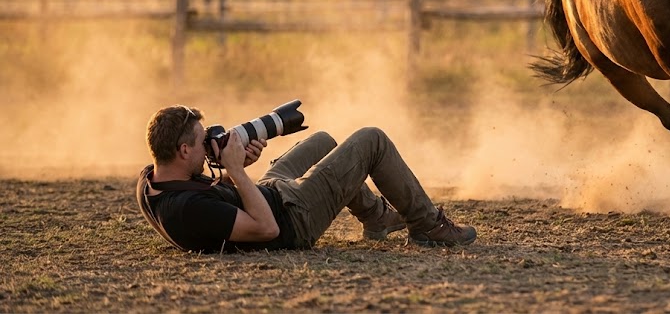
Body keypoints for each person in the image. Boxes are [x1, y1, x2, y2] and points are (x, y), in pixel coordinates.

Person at [136, 105, 476, 253]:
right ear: (182, 151)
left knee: (324, 141)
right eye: (200, 140)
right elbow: (266, 230)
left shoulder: (151, 180)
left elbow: (216, 203)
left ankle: (375, 219)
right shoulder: (185, 210)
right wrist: (238, 172)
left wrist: (235, 172)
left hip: (271, 193)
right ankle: (427, 226)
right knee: (372, 140)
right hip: (293, 217)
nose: (206, 145)